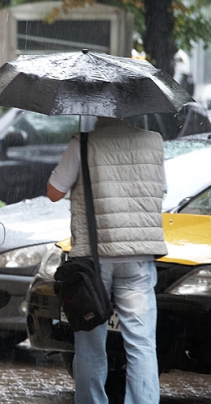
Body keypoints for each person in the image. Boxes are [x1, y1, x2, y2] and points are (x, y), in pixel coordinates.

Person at [46, 117, 167, 404]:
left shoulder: (84, 143)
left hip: (93, 261)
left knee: (89, 344)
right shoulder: (154, 141)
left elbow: (53, 193)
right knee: (142, 343)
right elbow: (161, 189)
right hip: (139, 256)